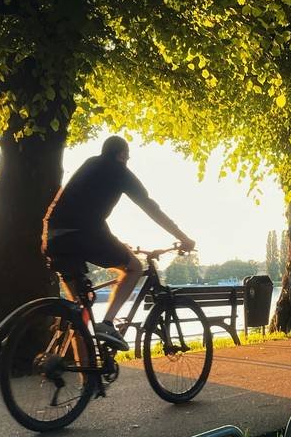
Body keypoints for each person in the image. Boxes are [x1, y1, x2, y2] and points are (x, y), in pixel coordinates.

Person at [43, 136, 196, 344]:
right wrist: (182, 237)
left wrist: (116, 243)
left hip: (54, 236)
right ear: (122, 154)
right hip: (84, 234)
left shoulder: (90, 164)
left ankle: (86, 365)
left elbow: (82, 205)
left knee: (80, 312)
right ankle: (107, 323)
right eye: (127, 157)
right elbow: (150, 207)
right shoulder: (120, 171)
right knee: (134, 267)